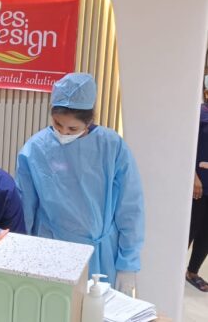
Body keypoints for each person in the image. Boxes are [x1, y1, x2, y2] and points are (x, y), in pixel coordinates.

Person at [15, 72, 144, 294]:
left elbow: (129, 206)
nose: (63, 132)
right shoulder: (35, 149)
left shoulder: (111, 146)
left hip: (100, 256)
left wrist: (128, 263)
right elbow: (25, 206)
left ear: (89, 121)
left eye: (72, 128)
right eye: (58, 124)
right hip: (52, 250)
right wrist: (23, 251)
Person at [186, 80, 208, 292]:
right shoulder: (198, 116)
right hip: (198, 187)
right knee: (189, 229)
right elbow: (186, 147)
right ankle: (171, 270)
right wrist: (193, 177)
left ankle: (192, 272)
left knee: (206, 233)